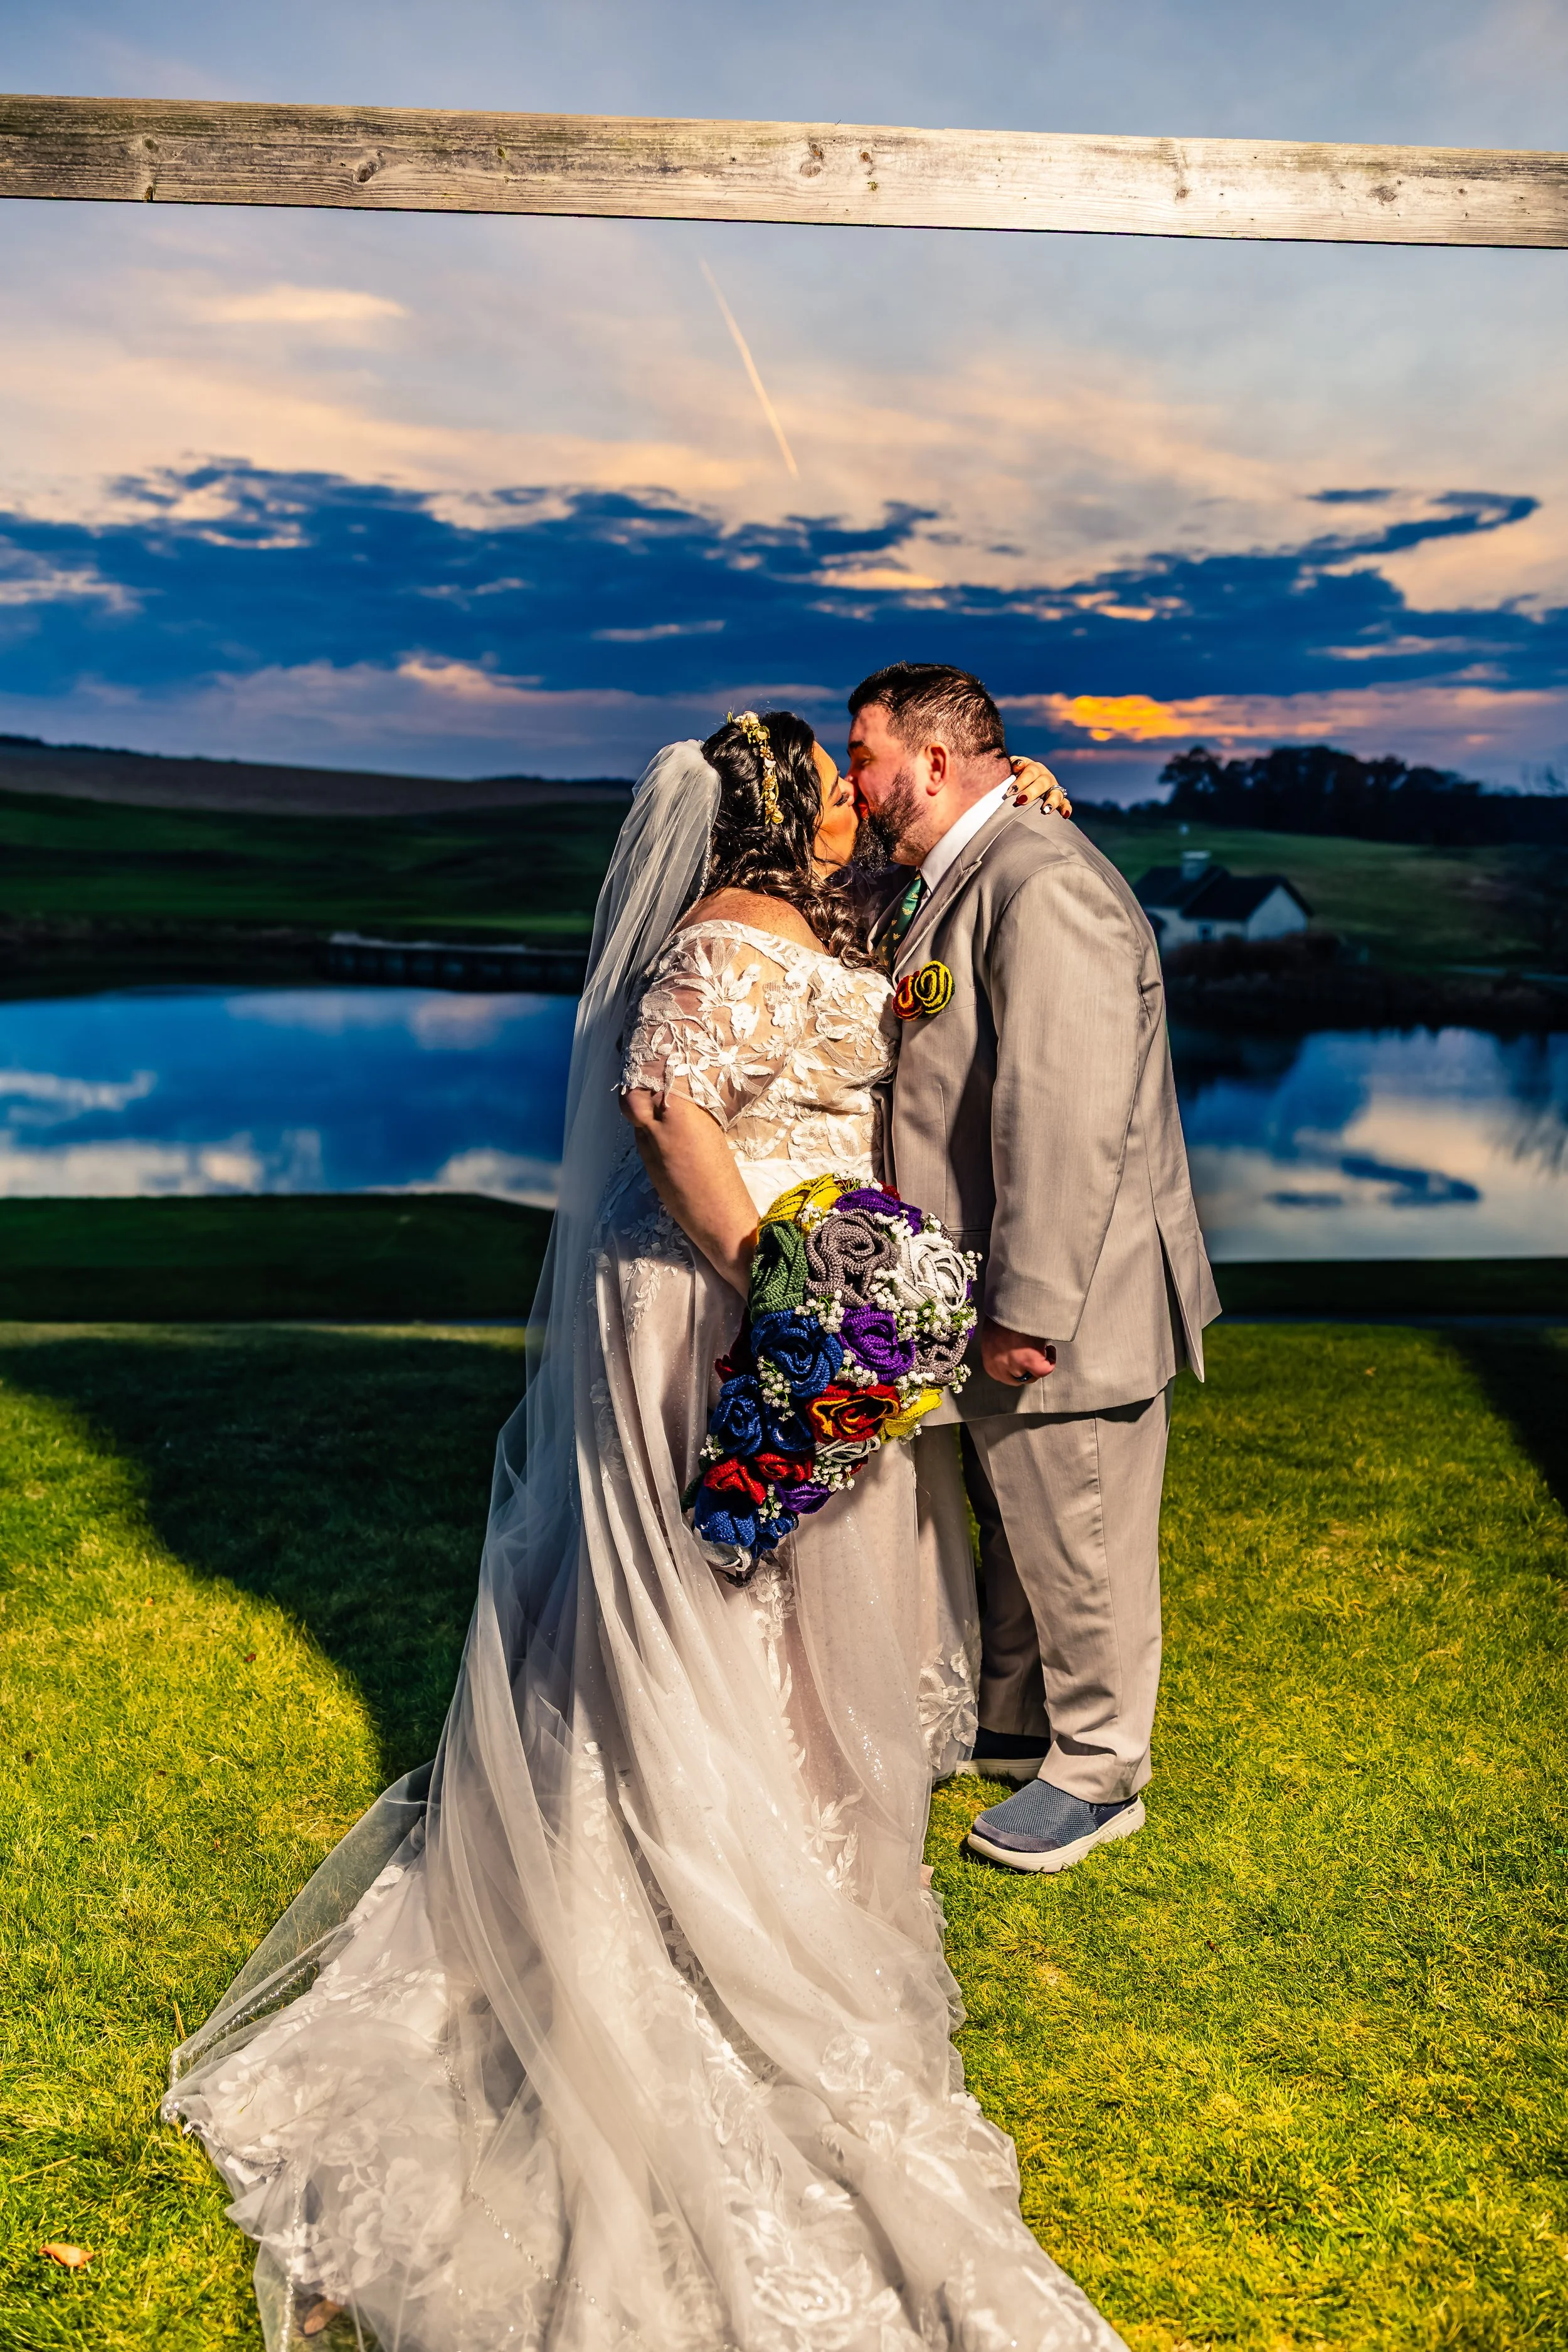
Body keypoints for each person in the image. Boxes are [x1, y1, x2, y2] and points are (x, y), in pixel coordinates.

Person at [162, 713, 1125, 2352]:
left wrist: (1018, 797)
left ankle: (792, 1809)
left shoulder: (815, 921)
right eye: (831, 783)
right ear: (770, 813)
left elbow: (885, 973)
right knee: (699, 1589)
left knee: (794, 1592)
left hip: (788, 1282)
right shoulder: (715, 936)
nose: (853, 799)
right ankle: (678, 1850)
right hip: (702, 1297)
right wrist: (784, 1274)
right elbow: (665, 1102)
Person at [847, 663, 1220, 1877]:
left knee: (1083, 1523)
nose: (855, 784)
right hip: (985, 1290)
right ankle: (1017, 1726)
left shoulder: (1041, 883)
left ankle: (1101, 1771)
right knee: (1015, 1518)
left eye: (867, 755)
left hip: (1066, 1297)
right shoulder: (964, 874)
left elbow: (1062, 1115)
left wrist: (1027, 1306)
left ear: (936, 761)